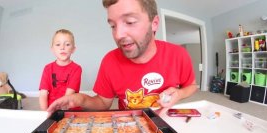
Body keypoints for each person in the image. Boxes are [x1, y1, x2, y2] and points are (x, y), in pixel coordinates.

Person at [47, 0, 197, 114]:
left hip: (166, 121)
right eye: (113, 26)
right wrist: (78, 99)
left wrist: (179, 93)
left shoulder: (178, 54)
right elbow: (103, 103)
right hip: (128, 127)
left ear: (154, 24)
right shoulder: (110, 61)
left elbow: (191, 86)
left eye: (130, 22)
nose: (118, 35)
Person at [39, 29, 82, 110]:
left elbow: (68, 96)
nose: (62, 48)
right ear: (52, 49)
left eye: (67, 44)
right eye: (58, 44)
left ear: (73, 49)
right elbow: (43, 94)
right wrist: (45, 113)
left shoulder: (77, 68)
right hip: (51, 109)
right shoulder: (47, 68)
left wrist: (59, 113)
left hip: (69, 109)